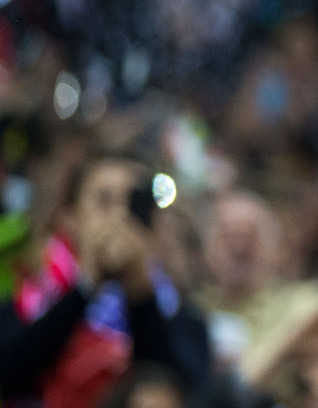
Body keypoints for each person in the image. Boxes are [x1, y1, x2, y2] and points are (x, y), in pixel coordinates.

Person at [0, 151, 210, 408]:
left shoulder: (176, 309)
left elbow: (179, 388)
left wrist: (139, 290)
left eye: (133, 203)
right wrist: (87, 285)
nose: (120, 216)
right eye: (103, 201)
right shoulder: (30, 297)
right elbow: (10, 374)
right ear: (69, 217)